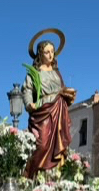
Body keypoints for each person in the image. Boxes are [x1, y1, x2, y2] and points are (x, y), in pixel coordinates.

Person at [23, 37, 75, 178]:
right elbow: (27, 90)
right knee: (42, 144)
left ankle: (53, 177)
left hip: (59, 109)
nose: (50, 55)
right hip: (43, 111)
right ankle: (32, 176)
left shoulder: (56, 72)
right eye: (47, 52)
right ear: (40, 54)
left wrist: (67, 93)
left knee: (58, 144)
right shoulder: (34, 73)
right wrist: (29, 103)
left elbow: (61, 88)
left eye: (52, 51)